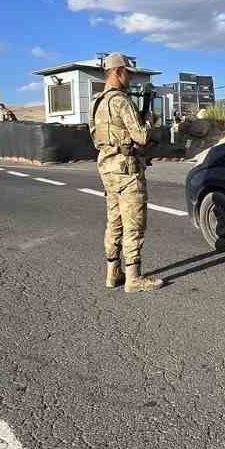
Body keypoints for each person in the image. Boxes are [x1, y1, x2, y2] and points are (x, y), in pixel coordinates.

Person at [90, 53, 163, 294]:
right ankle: (134, 277)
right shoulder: (121, 101)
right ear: (117, 72)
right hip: (127, 169)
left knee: (115, 221)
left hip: (107, 168)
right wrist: (150, 122)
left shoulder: (96, 102)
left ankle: (113, 272)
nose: (130, 78)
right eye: (128, 73)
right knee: (134, 223)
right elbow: (141, 137)